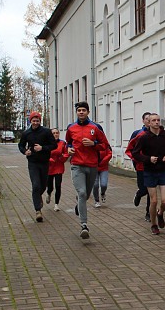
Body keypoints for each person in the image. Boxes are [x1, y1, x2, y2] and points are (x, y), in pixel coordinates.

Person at [65, 101, 109, 239]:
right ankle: (84, 225)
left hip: (92, 165)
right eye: (79, 110)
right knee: (83, 192)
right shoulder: (71, 128)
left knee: (86, 194)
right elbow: (68, 143)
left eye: (84, 110)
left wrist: (93, 143)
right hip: (77, 164)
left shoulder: (95, 128)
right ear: (77, 112)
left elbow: (105, 145)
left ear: (88, 112)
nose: (81, 112)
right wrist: (68, 149)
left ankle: (79, 203)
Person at [132, 113, 165, 235]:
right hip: (149, 171)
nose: (156, 122)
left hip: (163, 171)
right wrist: (148, 159)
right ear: (148, 123)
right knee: (154, 201)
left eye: (158, 120)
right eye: (153, 120)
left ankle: (160, 213)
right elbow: (135, 153)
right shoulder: (144, 138)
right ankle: (153, 224)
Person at [18, 111, 57, 222]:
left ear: (40, 121)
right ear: (30, 121)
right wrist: (25, 151)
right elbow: (21, 145)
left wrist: (42, 148)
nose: (35, 123)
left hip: (44, 162)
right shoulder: (26, 133)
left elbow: (53, 145)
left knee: (43, 186)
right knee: (36, 185)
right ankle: (38, 211)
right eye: (33, 121)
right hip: (33, 162)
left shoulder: (46, 132)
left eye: (37, 121)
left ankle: (38, 197)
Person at [125, 112, 152, 221]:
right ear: (143, 121)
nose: (150, 121)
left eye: (152, 119)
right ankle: (139, 194)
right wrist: (136, 159)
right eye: (147, 119)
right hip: (140, 166)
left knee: (152, 190)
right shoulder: (138, 133)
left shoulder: (158, 134)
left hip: (152, 167)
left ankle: (149, 213)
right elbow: (130, 149)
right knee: (143, 188)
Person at [46, 128, 69, 212]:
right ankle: (48, 193)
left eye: (57, 133)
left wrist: (63, 158)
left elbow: (66, 153)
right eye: (53, 133)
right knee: (50, 186)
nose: (55, 135)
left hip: (59, 166)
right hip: (49, 167)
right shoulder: (47, 143)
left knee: (58, 185)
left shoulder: (62, 143)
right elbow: (43, 153)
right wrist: (49, 159)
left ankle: (56, 204)